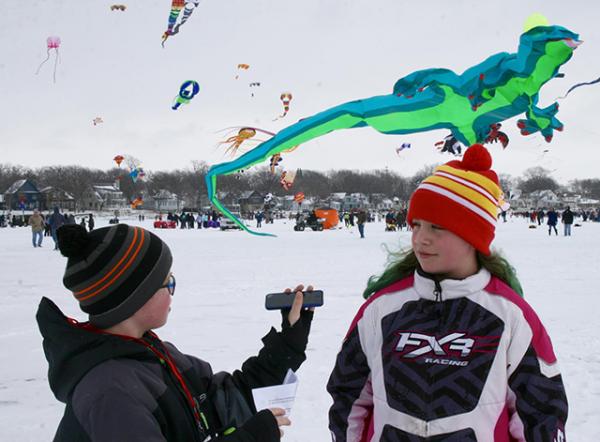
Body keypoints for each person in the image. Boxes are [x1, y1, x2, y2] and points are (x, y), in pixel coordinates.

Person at [327, 145, 568, 441]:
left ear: (472, 236)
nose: (420, 238)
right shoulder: (382, 308)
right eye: (416, 225)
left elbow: (542, 411)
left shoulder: (510, 314)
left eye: (437, 227)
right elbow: (348, 396)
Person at [37, 223, 315, 441]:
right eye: (167, 282)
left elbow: (227, 399)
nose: (172, 290)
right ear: (136, 298)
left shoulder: (155, 355)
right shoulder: (109, 392)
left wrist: (288, 342)